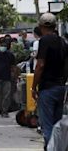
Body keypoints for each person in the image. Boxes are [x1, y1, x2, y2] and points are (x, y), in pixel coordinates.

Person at [31, 12, 68, 149]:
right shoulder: (63, 42)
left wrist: (33, 87)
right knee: (57, 125)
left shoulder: (44, 41)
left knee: (47, 127)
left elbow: (40, 65)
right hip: (60, 88)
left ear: (41, 26)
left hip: (47, 89)